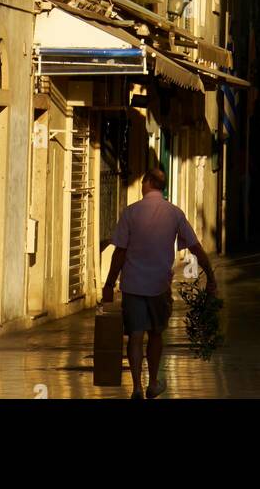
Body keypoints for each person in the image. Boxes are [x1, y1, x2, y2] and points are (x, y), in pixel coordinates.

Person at [101, 165, 217, 400]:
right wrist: (211, 276)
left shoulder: (130, 212)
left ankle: (135, 387)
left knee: (135, 335)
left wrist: (108, 284)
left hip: (132, 285)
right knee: (155, 335)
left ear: (146, 183)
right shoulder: (174, 213)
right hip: (159, 287)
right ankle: (153, 382)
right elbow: (195, 246)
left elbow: (119, 253)